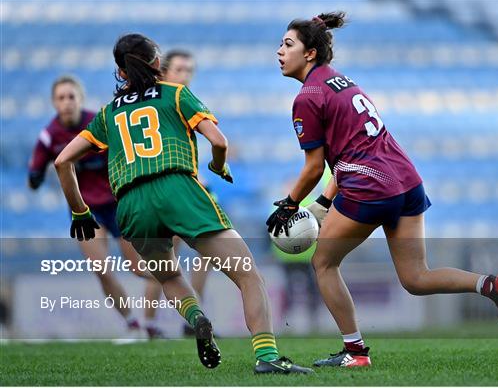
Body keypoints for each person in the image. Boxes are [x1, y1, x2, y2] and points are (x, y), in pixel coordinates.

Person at [268, 12, 498, 368]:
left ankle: (355, 353)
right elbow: (346, 153)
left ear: (310, 53)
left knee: (323, 262)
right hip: (406, 180)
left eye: (288, 44)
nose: (279, 51)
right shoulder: (342, 82)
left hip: (370, 184)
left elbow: (314, 166)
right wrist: (325, 201)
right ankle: (489, 284)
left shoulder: (307, 96)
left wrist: (289, 204)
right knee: (416, 278)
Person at [54, 33, 312, 374]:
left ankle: (195, 317)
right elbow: (219, 141)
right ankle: (266, 357)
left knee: (169, 275)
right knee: (248, 274)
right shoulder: (175, 94)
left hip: (131, 204)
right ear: (157, 64)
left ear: (120, 73)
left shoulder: (106, 114)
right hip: (178, 189)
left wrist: (79, 211)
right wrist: (218, 166)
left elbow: (62, 162)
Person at [28, 75, 164, 340]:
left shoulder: (100, 123)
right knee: (101, 269)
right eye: (61, 98)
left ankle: (171, 288)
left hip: (118, 205)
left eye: (71, 96)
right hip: (85, 212)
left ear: (80, 99)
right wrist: (36, 176)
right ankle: (133, 325)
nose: (67, 103)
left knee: (138, 268)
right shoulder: (49, 137)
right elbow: (35, 171)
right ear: (53, 103)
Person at [161, 49, 212, 336]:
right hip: (167, 188)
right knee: (164, 258)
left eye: (189, 70)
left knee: (205, 251)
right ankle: (148, 323)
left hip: (189, 184)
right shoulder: (165, 102)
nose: (185, 76)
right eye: (179, 70)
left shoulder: (186, 101)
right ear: (164, 72)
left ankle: (194, 316)